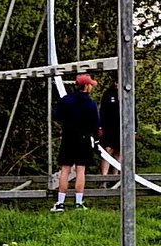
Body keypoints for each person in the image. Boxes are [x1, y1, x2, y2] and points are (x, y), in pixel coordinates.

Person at [51, 73, 100, 212]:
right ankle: (78, 203)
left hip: (68, 136)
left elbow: (56, 115)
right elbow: (95, 123)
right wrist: (96, 140)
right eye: (90, 84)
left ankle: (60, 203)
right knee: (80, 170)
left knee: (65, 170)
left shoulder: (66, 100)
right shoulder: (90, 103)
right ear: (86, 86)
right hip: (83, 138)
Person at [98, 75, 121, 176]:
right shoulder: (108, 94)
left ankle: (115, 177)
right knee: (107, 151)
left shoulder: (127, 94)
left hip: (121, 128)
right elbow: (102, 111)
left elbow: (133, 112)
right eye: (116, 82)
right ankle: (104, 178)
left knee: (118, 153)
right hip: (108, 128)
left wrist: (134, 129)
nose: (117, 85)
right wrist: (100, 127)